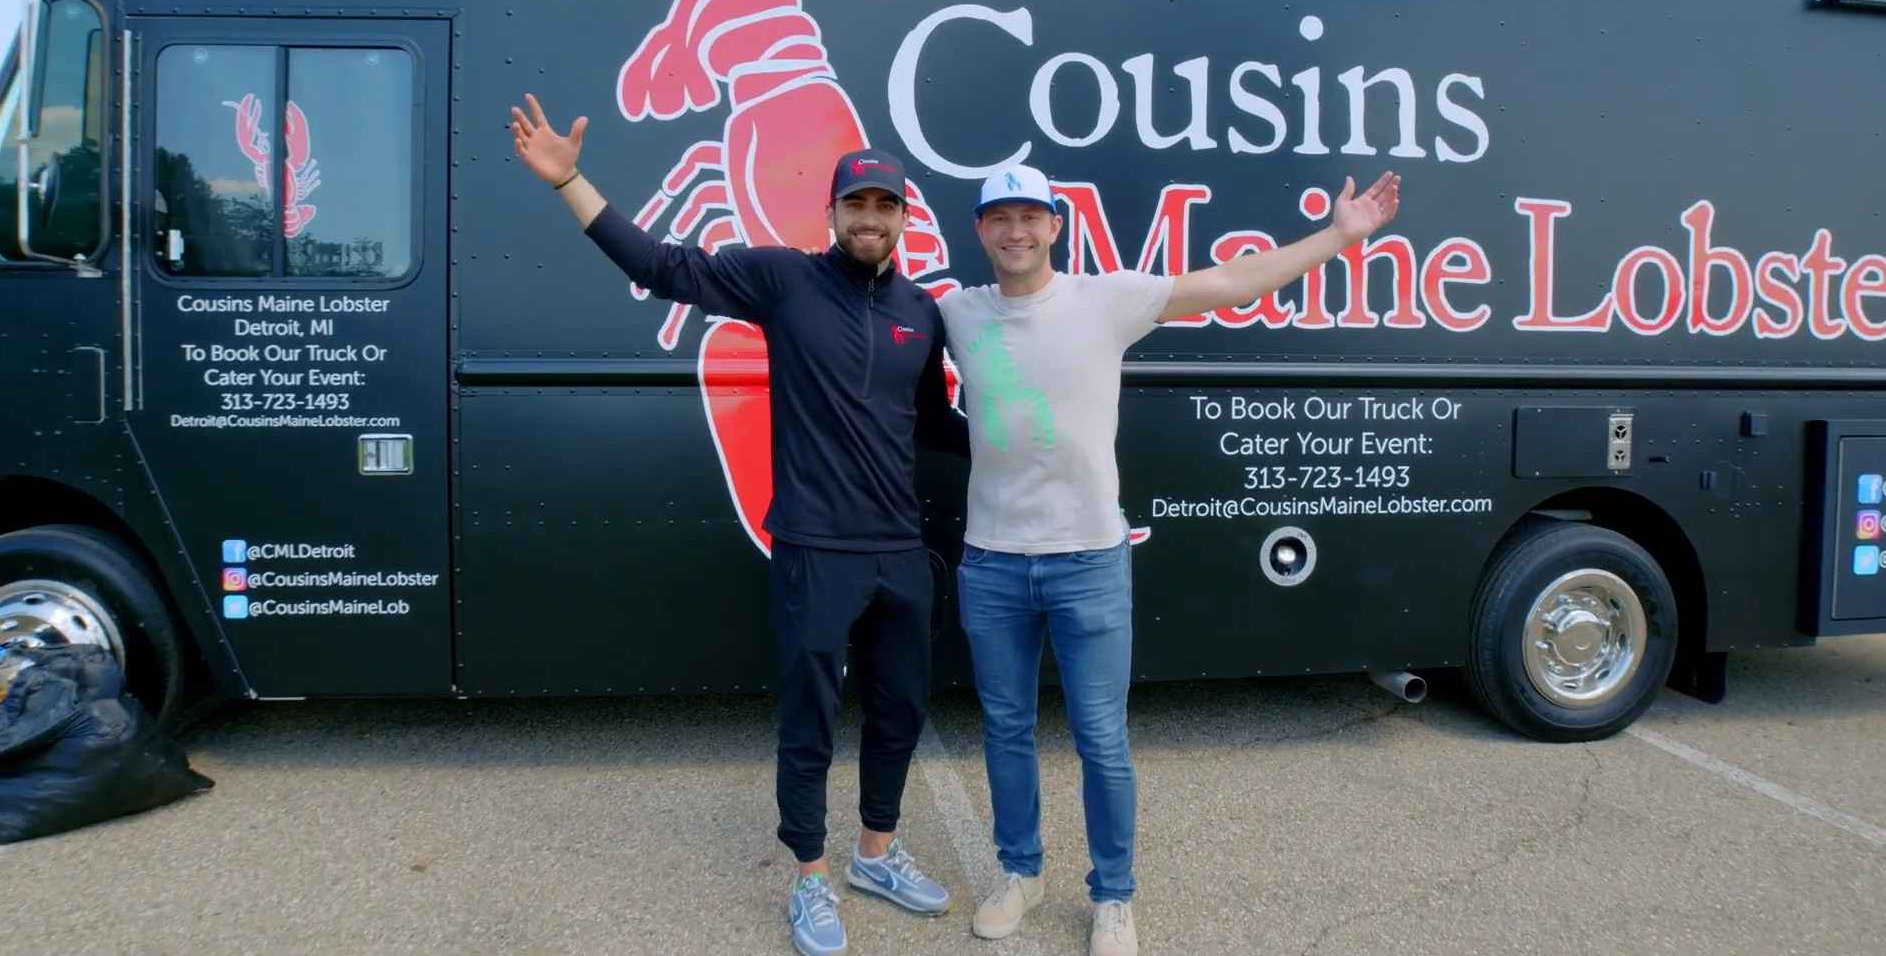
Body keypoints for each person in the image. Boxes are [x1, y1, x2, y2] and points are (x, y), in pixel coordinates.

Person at [509, 94, 968, 956]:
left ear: (905, 219)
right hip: (815, 547)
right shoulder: (783, 280)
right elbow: (663, 266)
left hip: (899, 551)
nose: (870, 218)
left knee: (901, 710)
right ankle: (810, 876)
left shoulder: (922, 312)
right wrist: (570, 182)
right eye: (856, 203)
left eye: (885, 205)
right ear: (831, 212)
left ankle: (876, 854)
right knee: (810, 717)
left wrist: (1034, 447)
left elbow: (935, 424)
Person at [940, 163, 1400, 956]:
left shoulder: (1105, 301)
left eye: (1031, 216)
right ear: (980, 231)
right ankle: (1020, 872)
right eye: (1000, 218)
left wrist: (1338, 236)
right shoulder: (956, 311)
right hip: (992, 562)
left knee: (1100, 738)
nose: (1016, 231)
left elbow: (1231, 281)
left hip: (1088, 560)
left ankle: (1113, 896)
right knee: (1006, 728)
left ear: (1055, 226)